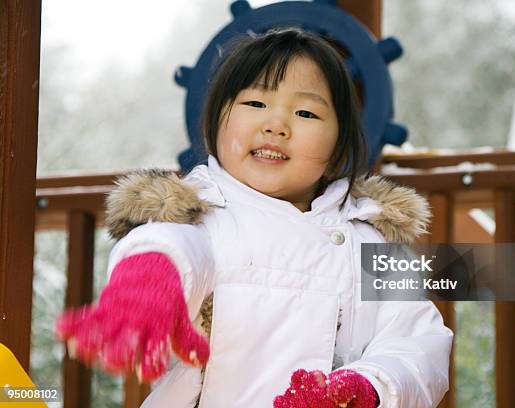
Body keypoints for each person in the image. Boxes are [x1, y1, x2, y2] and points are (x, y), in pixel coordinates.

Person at [56, 28, 453, 408]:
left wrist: (370, 386)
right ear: (215, 127)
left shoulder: (370, 238)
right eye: (255, 104)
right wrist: (148, 281)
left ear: (337, 148)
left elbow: (417, 341)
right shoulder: (198, 215)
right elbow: (173, 247)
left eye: (305, 113)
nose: (275, 125)